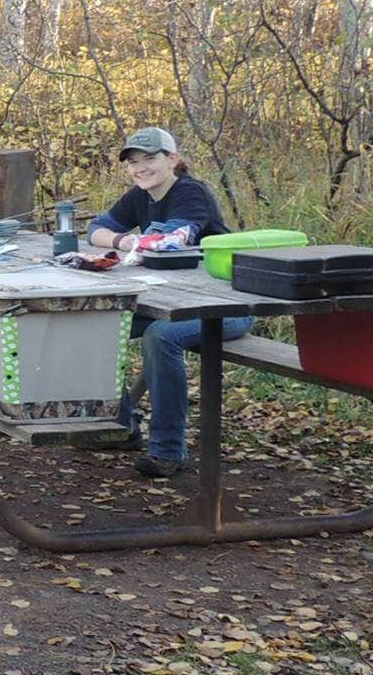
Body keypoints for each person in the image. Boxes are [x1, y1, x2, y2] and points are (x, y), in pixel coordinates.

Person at [85, 126, 252, 478]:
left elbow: (169, 240)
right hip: (172, 300)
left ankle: (167, 451)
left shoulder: (191, 194)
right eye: (134, 162)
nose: (141, 168)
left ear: (173, 159)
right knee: (95, 320)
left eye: (150, 159)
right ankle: (121, 426)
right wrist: (123, 239)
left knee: (161, 336)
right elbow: (96, 230)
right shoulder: (140, 195)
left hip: (228, 307)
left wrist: (133, 242)